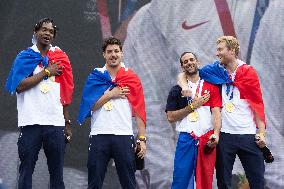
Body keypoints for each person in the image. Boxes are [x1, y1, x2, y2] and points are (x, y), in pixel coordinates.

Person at [178, 36, 266, 189]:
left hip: (248, 135)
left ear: (231, 51)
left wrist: (262, 133)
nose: (217, 53)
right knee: (223, 183)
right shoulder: (215, 70)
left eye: (220, 49)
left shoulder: (248, 72)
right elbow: (186, 73)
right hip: (225, 136)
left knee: (257, 181)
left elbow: (257, 104)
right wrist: (186, 88)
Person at [5, 18, 74, 189]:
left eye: (51, 31)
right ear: (36, 32)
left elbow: (64, 93)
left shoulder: (60, 58)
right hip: (31, 123)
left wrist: (67, 122)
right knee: (26, 172)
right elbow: (19, 85)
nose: (47, 33)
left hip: (55, 124)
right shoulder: (25, 56)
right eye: (44, 30)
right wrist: (46, 72)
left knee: (57, 175)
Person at [77, 37, 147, 189]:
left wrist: (142, 139)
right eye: (109, 52)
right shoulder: (95, 76)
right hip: (98, 136)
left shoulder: (132, 78)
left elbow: (140, 110)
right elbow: (90, 106)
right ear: (104, 54)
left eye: (116, 51)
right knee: (94, 184)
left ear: (122, 54)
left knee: (129, 184)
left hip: (123, 136)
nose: (113, 55)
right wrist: (111, 94)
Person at [166, 52, 222, 189]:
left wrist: (216, 133)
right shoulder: (177, 90)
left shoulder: (211, 86)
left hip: (206, 139)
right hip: (186, 138)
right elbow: (171, 117)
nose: (189, 63)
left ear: (197, 62)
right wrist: (192, 106)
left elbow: (216, 113)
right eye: (185, 61)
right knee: (181, 180)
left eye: (192, 60)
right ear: (182, 66)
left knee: (205, 181)